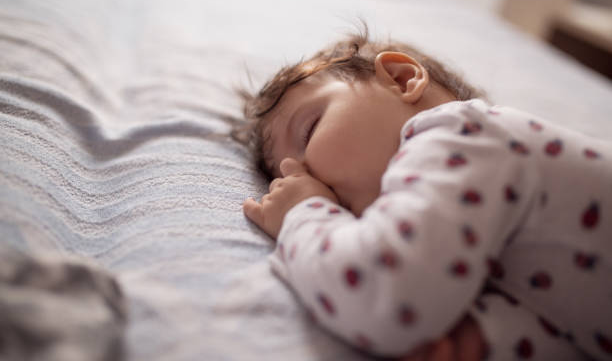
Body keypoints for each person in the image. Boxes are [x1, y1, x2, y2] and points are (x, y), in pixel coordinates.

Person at [232, 28, 612, 361]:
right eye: (287, 177)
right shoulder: (471, 226)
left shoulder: (459, 134)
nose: (300, 176)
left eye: (309, 131)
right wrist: (484, 339)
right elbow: (574, 318)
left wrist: (303, 214)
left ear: (400, 79)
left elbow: (387, 298)